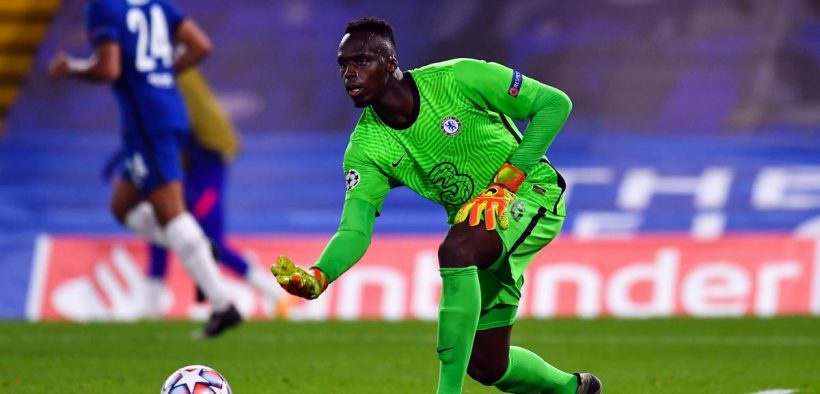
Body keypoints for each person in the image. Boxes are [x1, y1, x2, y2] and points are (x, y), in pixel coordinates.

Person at [271, 17, 602, 394]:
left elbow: (554, 104)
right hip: (482, 226)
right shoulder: (365, 149)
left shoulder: (459, 78)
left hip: (532, 195)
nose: (350, 73)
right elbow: (354, 229)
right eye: (344, 64)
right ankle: (575, 389)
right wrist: (319, 275)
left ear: (391, 62)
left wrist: (506, 184)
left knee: (456, 249)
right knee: (489, 365)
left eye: (362, 61)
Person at [48, 0, 241, 338]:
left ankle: (222, 303)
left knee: (172, 214)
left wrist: (72, 68)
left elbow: (109, 69)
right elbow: (201, 45)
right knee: (122, 207)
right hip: (167, 112)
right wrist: (162, 74)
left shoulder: (103, 8)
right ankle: (194, 246)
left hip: (147, 122)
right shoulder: (157, 5)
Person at [141, 67, 283, 318]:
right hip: (188, 174)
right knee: (161, 225)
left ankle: (273, 293)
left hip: (203, 176)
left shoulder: (181, 91)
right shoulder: (175, 91)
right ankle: (152, 302)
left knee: (212, 243)